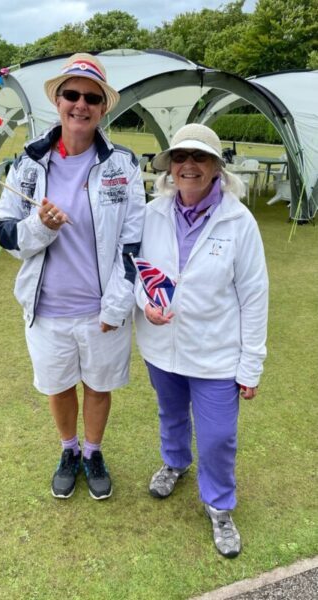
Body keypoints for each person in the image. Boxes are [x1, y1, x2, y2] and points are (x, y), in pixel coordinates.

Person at [0, 53, 145, 501]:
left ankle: (93, 452)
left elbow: (134, 245)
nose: (81, 105)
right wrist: (42, 226)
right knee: (58, 388)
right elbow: (7, 235)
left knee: (98, 387)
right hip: (47, 308)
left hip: (101, 309)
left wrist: (117, 305)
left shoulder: (123, 165)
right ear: (57, 101)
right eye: (72, 95)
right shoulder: (28, 163)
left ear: (103, 107)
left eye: (92, 98)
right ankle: (69, 450)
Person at [134, 123, 268, 557]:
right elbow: (138, 271)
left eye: (200, 157)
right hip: (162, 348)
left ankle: (219, 506)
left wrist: (251, 365)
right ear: (169, 166)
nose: (188, 165)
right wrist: (145, 303)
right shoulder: (152, 213)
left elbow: (254, 296)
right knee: (171, 414)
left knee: (218, 436)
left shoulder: (238, 221)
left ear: (216, 167)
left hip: (216, 354)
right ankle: (175, 463)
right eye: (180, 157)